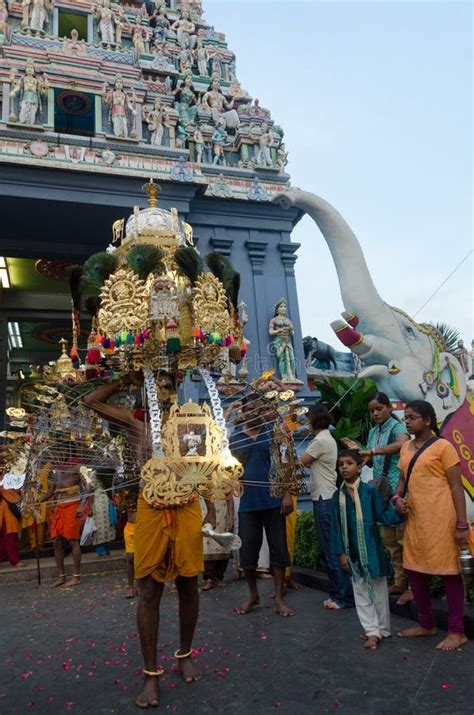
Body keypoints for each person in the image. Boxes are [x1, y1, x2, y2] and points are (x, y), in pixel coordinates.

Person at [83, 372, 216, 709]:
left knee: (189, 584)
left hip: (186, 506)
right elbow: (91, 401)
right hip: (150, 508)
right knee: (149, 590)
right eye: (156, 388)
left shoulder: (190, 423)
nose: (164, 394)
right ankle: (150, 673)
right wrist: (122, 380)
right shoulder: (134, 422)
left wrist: (210, 508)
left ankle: (185, 654)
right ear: (146, 393)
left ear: (177, 391)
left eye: (169, 387)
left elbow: (201, 468)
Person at [393, 400, 469, 651]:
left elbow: (456, 488)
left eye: (413, 417)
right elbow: (402, 482)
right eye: (406, 417)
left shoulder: (444, 447)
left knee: (449, 573)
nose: (408, 421)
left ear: (427, 420)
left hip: (441, 519)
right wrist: (397, 499)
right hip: (415, 520)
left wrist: (461, 525)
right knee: (414, 571)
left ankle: (458, 632)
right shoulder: (405, 448)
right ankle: (427, 624)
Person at [229, 394, 295, 617]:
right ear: (244, 411)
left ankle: (278, 598)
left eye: (259, 408)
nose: (255, 412)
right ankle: (253, 595)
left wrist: (287, 495)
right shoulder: (235, 437)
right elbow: (230, 469)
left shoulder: (274, 433)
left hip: (274, 500)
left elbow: (286, 464)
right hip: (248, 503)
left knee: (279, 550)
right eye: (251, 408)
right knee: (247, 552)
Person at [331, 450, 402, 650]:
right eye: (341, 464)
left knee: (378, 589)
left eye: (349, 463)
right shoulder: (338, 496)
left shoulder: (370, 492)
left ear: (360, 467)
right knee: (360, 591)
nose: (344, 467)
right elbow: (336, 528)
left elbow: (382, 515)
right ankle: (372, 631)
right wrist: (341, 553)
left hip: (372, 549)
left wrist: (400, 512)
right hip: (351, 550)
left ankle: (381, 629)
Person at [347, 392, 411, 603]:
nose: (375, 413)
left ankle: (413, 585)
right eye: (372, 410)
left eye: (378, 409)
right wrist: (360, 456)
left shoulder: (398, 427)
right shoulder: (373, 431)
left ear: (389, 408)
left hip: (398, 490)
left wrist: (371, 451)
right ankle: (400, 581)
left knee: (404, 539)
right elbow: (372, 460)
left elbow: (402, 446)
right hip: (381, 494)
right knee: (391, 540)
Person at [300, 404, 354, 610]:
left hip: (324, 499)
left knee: (331, 550)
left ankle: (342, 597)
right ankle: (338, 593)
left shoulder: (320, 441)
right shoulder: (326, 439)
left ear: (314, 421)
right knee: (331, 550)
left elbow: (301, 462)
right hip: (327, 496)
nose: (306, 422)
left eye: (308, 419)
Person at [41, 462, 90, 587]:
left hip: (73, 507)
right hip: (59, 508)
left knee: (73, 541)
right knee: (55, 541)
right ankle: (61, 576)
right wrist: (36, 499)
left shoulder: (78, 467)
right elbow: (51, 491)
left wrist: (81, 506)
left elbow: (89, 487)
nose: (56, 457)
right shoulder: (55, 471)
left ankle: (76, 577)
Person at [200, 497, 233, 590]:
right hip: (203, 508)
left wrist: (231, 515)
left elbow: (229, 496)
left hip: (222, 510)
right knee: (206, 544)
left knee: (221, 542)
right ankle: (208, 578)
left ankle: (219, 576)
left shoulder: (225, 481)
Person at [0, 483, 22, 566]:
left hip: (8, 513)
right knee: (10, 537)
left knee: (6, 538)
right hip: (5, 514)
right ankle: (15, 560)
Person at [123, 508, 138, 599]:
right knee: (130, 557)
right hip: (130, 526)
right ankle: (131, 587)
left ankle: (140, 585)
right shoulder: (127, 494)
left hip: (145, 526)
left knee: (142, 557)